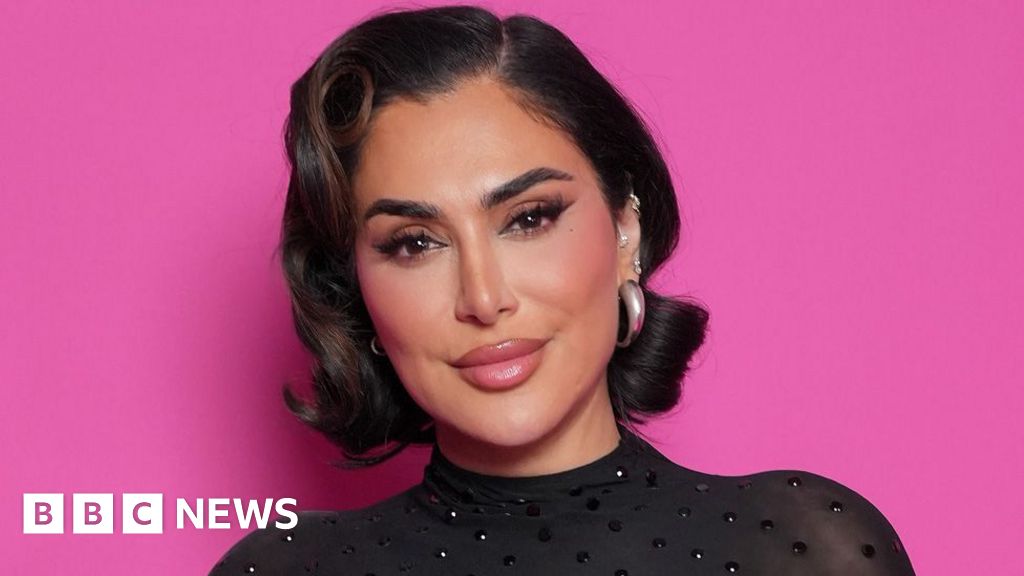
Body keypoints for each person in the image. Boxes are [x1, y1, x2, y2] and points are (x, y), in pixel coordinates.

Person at [209, 5, 916, 575]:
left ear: (625, 230)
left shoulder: (805, 549)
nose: (483, 298)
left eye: (529, 218)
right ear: (355, 286)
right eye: (415, 243)